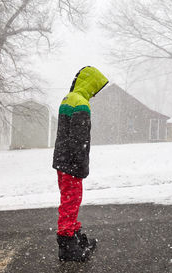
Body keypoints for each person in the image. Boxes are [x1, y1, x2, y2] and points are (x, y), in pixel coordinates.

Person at [52, 66, 109, 261]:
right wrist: (81, 165)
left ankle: (73, 236)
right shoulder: (81, 103)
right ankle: (67, 245)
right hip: (72, 164)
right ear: (90, 84)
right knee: (71, 201)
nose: (95, 93)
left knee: (70, 200)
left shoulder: (69, 98)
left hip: (62, 161)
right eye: (95, 88)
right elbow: (79, 139)